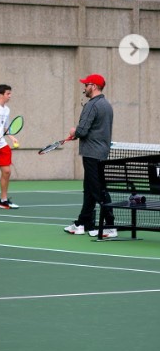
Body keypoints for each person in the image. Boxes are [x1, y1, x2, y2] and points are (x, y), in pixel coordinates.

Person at [64, 73, 116, 238]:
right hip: (101, 153)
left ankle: (110, 225)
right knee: (89, 189)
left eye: (86, 85)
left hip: (92, 154)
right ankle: (82, 223)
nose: (84, 88)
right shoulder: (107, 105)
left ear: (93, 86)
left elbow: (82, 130)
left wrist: (74, 131)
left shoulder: (91, 105)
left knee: (96, 190)